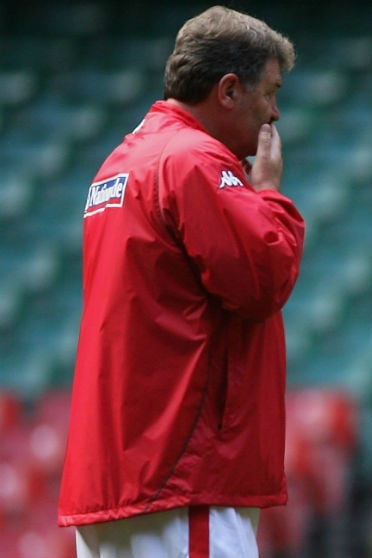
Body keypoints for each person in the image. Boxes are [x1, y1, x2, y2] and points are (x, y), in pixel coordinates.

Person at [57, 6, 304, 558]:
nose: (276, 114)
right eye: (270, 92)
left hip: (125, 481)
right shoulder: (192, 160)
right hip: (183, 481)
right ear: (229, 89)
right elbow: (262, 281)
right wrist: (269, 197)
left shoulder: (119, 163)